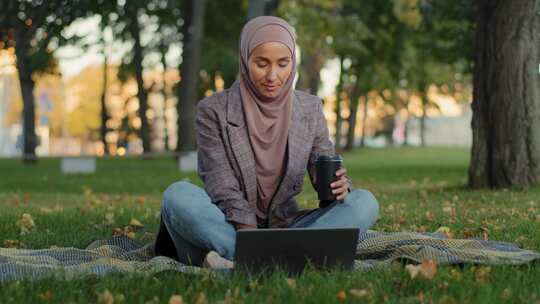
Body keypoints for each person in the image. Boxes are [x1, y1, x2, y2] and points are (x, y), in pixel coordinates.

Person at [153, 16, 379, 268]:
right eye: (262, 63)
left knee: (364, 202)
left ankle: (244, 261)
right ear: (245, 60)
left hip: (288, 227)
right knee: (177, 195)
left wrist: (339, 186)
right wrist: (249, 234)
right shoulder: (213, 110)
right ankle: (290, 258)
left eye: (283, 64)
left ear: (293, 62)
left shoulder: (309, 108)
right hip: (228, 224)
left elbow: (322, 164)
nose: (273, 76)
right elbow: (220, 182)